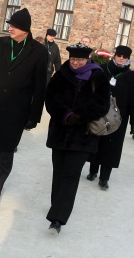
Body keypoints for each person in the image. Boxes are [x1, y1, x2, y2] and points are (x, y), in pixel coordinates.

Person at [0, 8, 47, 215]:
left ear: (25, 29)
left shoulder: (38, 52)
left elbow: (40, 87)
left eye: (14, 26)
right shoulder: (2, 44)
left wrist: (34, 116)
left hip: (17, 110)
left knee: (6, 150)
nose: (10, 28)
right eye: (10, 25)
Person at [44, 43, 111, 233]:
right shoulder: (61, 74)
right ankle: (56, 205)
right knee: (59, 171)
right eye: (73, 59)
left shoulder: (98, 76)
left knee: (71, 174)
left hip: (83, 135)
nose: (75, 63)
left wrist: (79, 116)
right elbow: (50, 98)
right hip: (60, 131)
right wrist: (65, 115)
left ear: (87, 59)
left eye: (80, 60)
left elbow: (102, 104)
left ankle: (58, 218)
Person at [86, 45, 134, 190]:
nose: (121, 59)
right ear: (115, 55)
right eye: (119, 56)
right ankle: (93, 170)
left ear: (128, 59)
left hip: (119, 117)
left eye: (125, 57)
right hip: (100, 112)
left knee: (112, 147)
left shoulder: (132, 76)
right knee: (97, 140)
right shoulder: (103, 70)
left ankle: (104, 178)